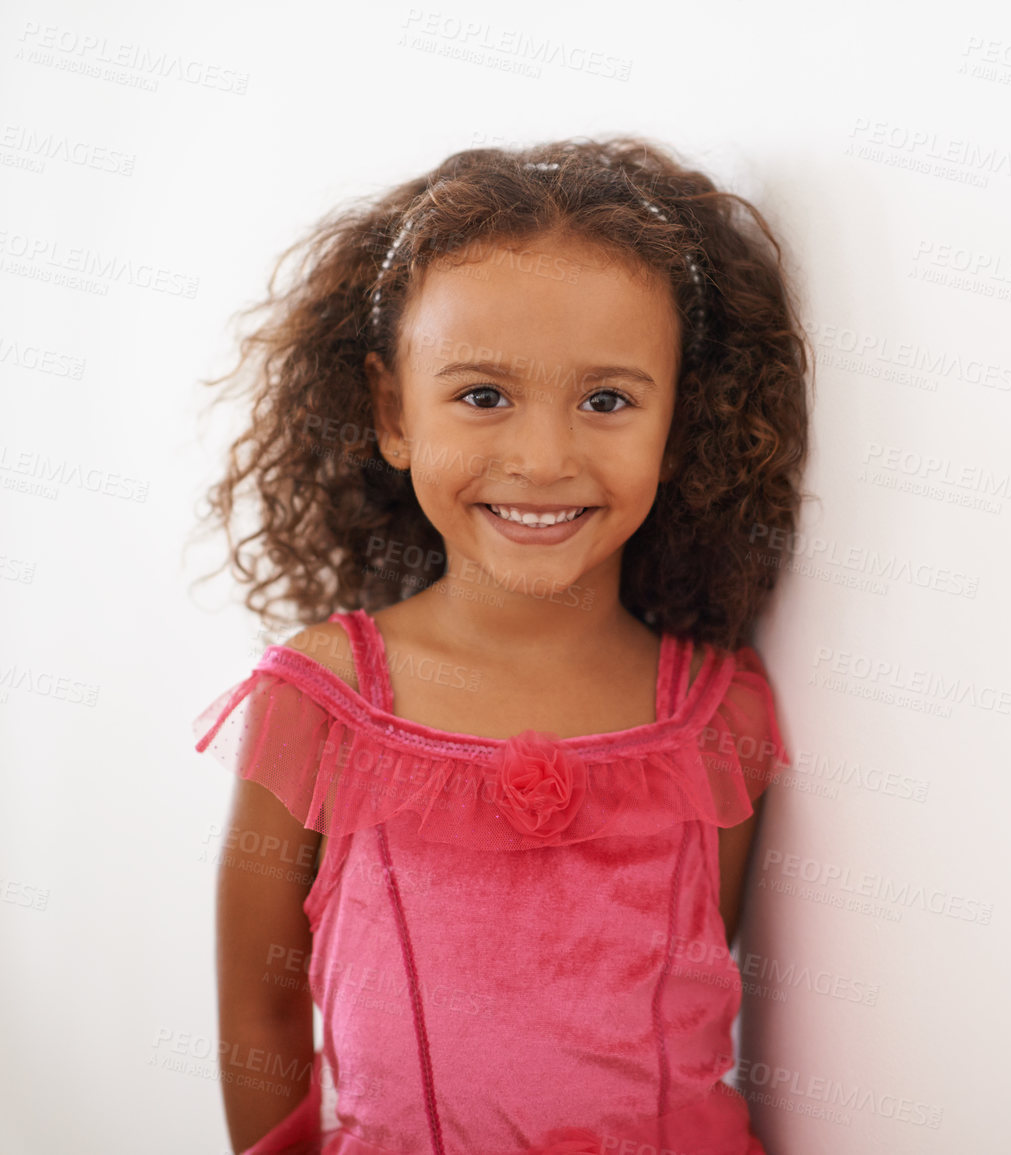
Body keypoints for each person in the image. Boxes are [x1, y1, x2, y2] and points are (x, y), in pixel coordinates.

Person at [189, 135, 809, 1155]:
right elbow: (260, 1018)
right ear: (393, 412)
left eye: (606, 401)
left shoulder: (719, 713)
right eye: (482, 395)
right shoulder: (320, 700)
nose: (542, 458)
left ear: (677, 419)